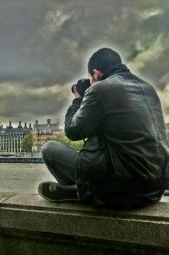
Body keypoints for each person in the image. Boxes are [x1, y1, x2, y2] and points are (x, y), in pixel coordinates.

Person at [38, 48, 169, 209]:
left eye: (91, 79)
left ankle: (85, 192)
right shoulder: (149, 89)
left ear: (96, 73)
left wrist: (78, 99)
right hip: (154, 190)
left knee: (49, 149)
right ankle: (83, 191)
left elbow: (73, 131)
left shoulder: (99, 89)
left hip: (125, 191)